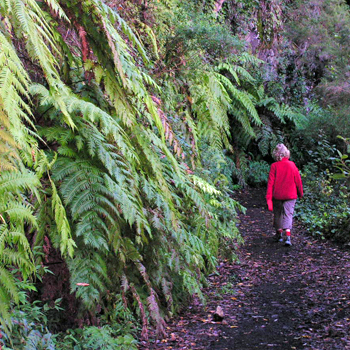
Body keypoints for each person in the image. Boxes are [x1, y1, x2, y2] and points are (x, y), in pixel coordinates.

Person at [266, 144, 303, 246]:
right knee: (288, 214)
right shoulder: (292, 165)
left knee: (277, 214)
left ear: (276, 154)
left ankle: (278, 234)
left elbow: (270, 183)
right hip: (290, 195)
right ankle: (288, 237)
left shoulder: (274, 166)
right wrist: (300, 193)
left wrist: (269, 198)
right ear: (286, 153)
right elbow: (298, 181)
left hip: (277, 195)